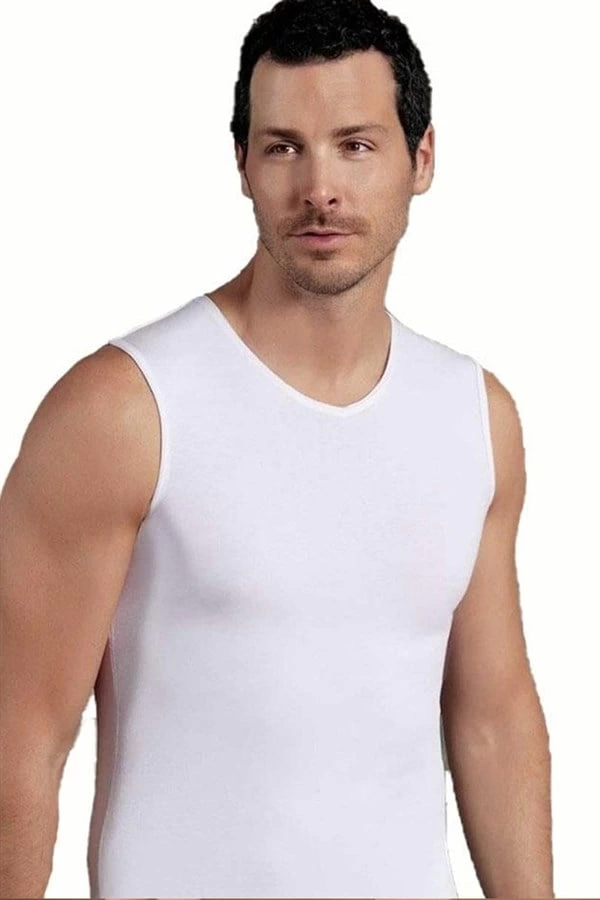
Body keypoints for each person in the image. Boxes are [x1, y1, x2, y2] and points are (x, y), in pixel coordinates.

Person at [0, 0, 554, 897]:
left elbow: (491, 716)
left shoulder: (474, 415)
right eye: (283, 147)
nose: (319, 188)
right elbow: (20, 740)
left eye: (356, 145)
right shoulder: (125, 410)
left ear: (422, 160)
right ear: (242, 165)